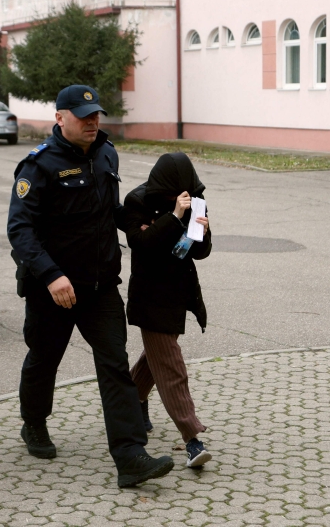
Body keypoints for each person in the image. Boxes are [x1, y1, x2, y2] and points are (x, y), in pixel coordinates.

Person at [7, 84, 175, 488]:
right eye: (84, 117)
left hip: (100, 286)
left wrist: (139, 224)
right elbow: (20, 229)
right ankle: (33, 422)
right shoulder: (38, 166)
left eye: (96, 115)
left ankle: (131, 456)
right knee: (44, 359)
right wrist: (50, 275)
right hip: (54, 290)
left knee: (114, 364)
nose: (93, 122)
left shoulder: (105, 152)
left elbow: (108, 209)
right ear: (60, 117)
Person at [123, 152, 213, 469]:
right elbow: (142, 244)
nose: (185, 196)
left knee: (157, 357)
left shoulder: (196, 200)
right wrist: (174, 217)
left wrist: (203, 230)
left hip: (178, 293)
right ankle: (193, 440)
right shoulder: (136, 201)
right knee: (172, 367)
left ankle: (131, 400)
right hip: (150, 296)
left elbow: (197, 251)